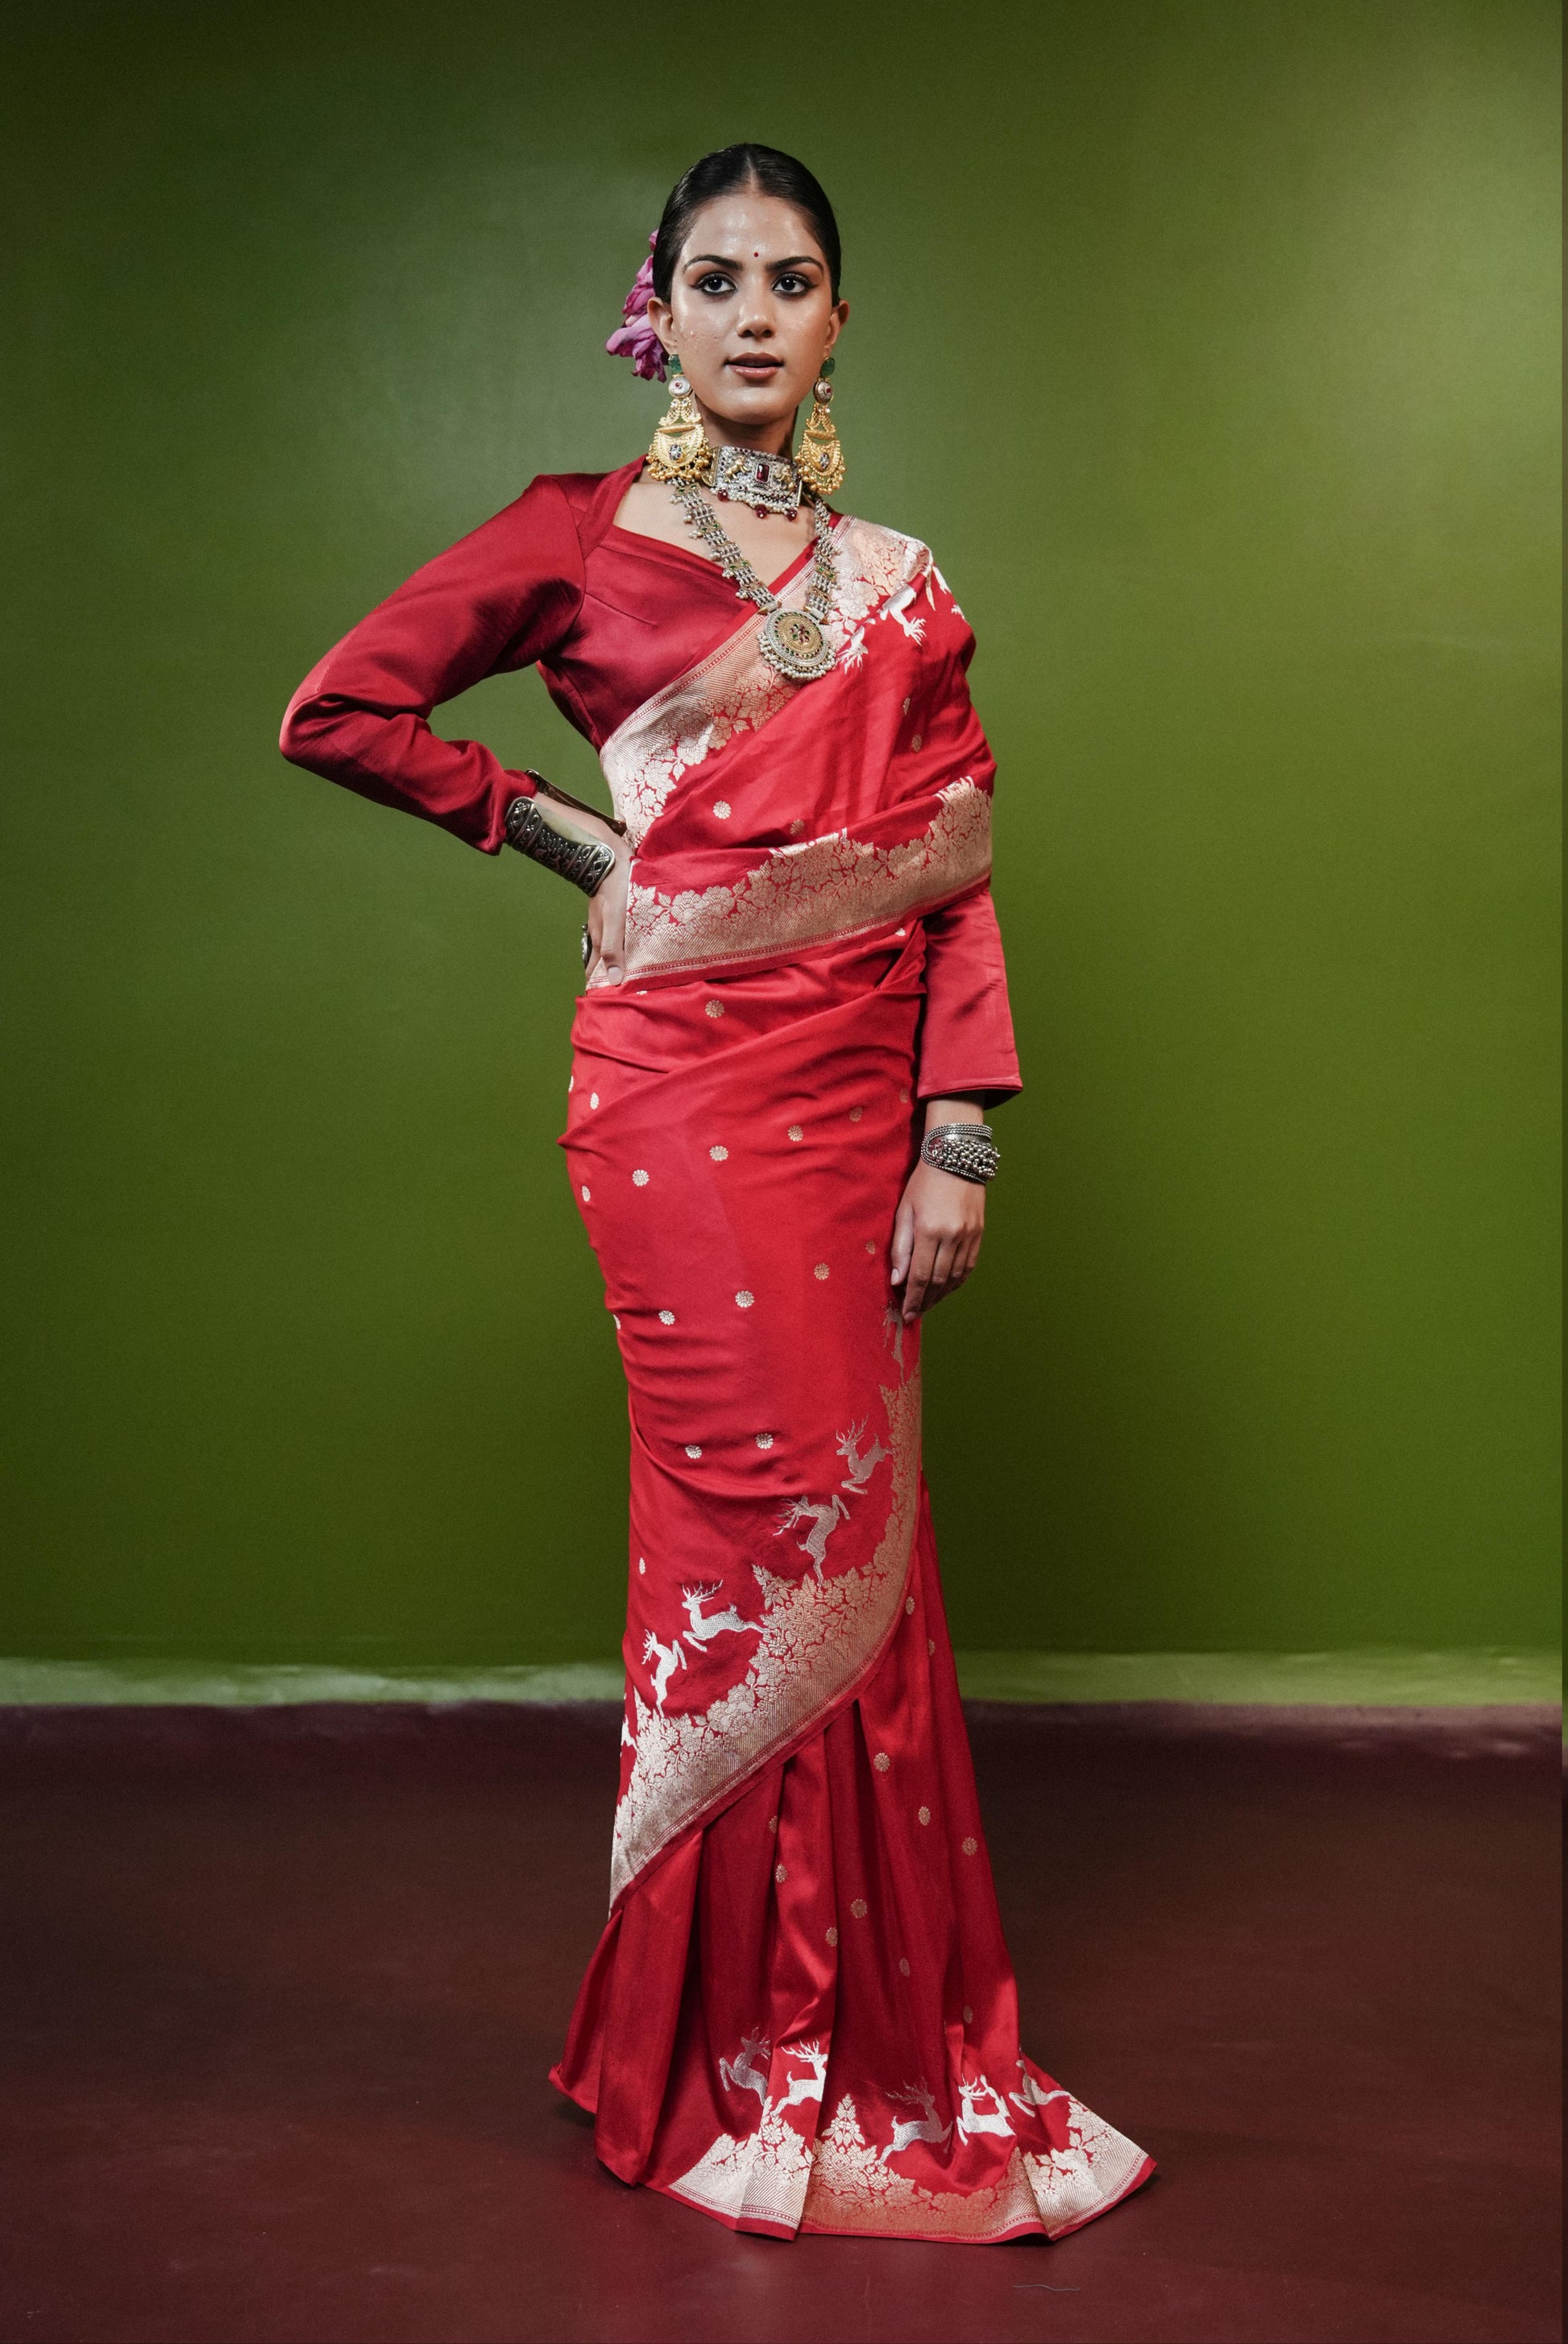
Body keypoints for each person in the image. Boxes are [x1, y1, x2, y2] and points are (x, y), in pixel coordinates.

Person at [280, 143, 1154, 2243]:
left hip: (863, 1114)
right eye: (715, 279)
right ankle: (718, 2050)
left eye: (791, 280)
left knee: (870, 1554)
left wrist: (960, 1132)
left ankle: (879, 2041)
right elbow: (341, 709)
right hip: (676, 1106)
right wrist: (566, 836)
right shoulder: (576, 538)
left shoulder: (901, 585)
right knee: (740, 1546)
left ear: (839, 319)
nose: (753, 314)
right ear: (651, 311)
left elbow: (954, 879)